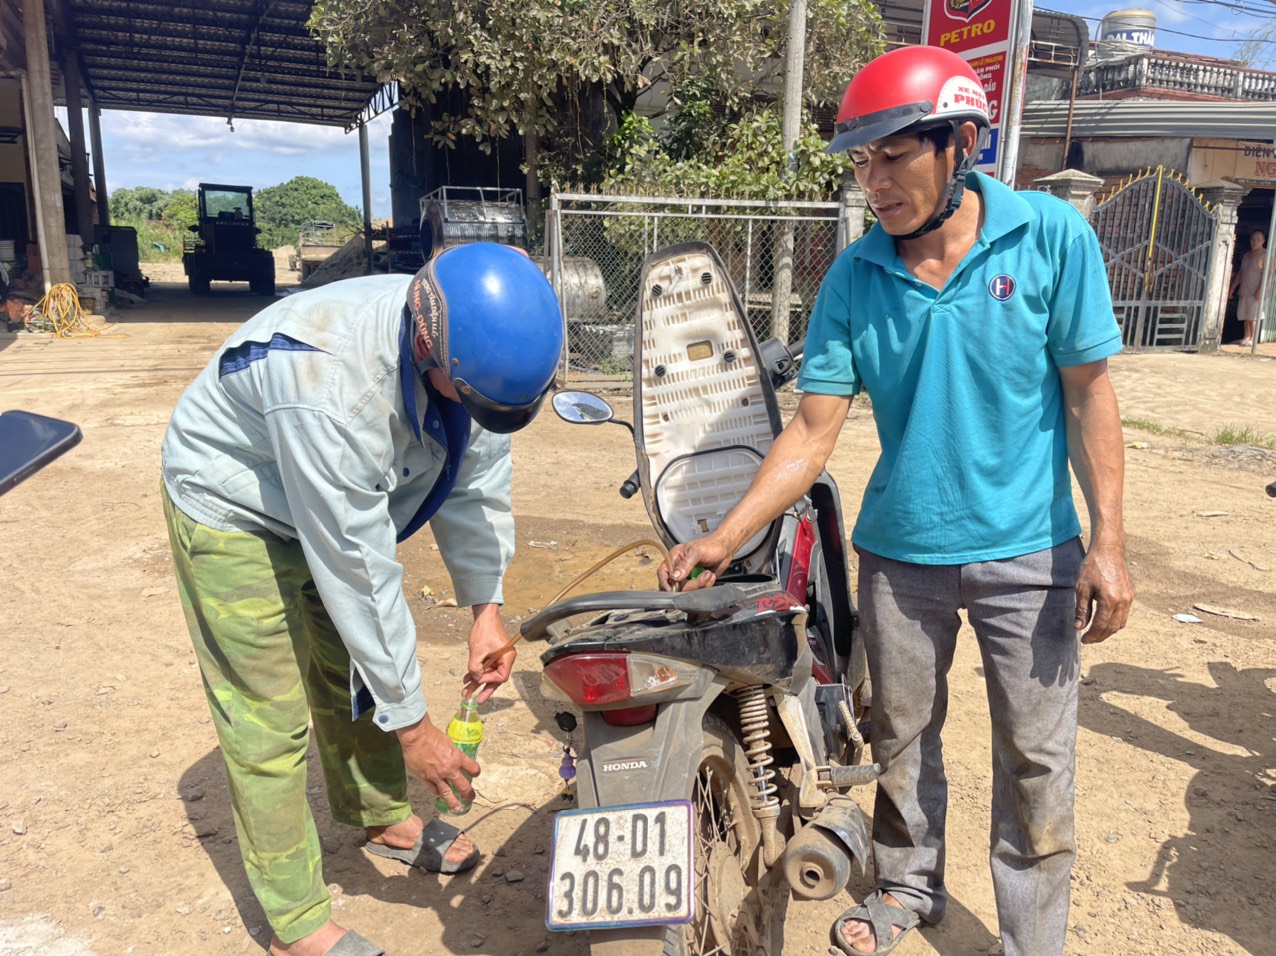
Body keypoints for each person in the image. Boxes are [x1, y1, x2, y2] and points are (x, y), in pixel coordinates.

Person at [659, 45, 1133, 956]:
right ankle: (912, 887)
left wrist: (1108, 542)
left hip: (1032, 552)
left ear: (961, 142)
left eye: (892, 156)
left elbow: (1089, 396)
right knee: (904, 739)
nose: (872, 182)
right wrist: (726, 534)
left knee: (1036, 761)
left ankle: (1033, 937)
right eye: (861, 161)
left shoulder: (1049, 239)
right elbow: (811, 434)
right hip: (899, 558)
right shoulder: (854, 277)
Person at [161, 242, 563, 956]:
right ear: (424, 342)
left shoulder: (472, 358)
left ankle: (383, 817)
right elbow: (357, 568)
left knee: (350, 669)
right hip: (235, 503)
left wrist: (486, 611)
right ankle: (295, 922)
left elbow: (474, 484)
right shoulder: (335, 390)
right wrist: (414, 730)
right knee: (268, 716)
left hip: (323, 493)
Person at [1229, 229, 1268, 346]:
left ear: (1263, 241)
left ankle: (1253, 339)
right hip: (1245, 290)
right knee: (1245, 316)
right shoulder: (1247, 255)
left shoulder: (1265, 255)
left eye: (1258, 240)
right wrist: (1232, 288)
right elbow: (1241, 273)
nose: (1254, 242)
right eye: (1253, 239)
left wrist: (1260, 289)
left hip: (1256, 292)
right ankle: (1246, 337)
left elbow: (1268, 275)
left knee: (1253, 316)